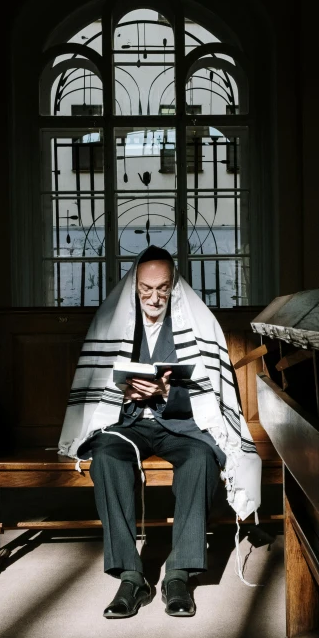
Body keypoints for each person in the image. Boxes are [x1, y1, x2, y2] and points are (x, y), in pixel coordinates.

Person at [59, 246, 261, 619]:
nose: (154, 298)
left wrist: (169, 392)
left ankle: (179, 575)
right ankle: (131, 576)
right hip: (127, 423)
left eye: (162, 289)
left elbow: (210, 393)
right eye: (145, 289)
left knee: (201, 458)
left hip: (179, 424)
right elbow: (96, 384)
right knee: (106, 458)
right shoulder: (115, 322)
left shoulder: (196, 323)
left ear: (174, 287)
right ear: (133, 287)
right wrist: (123, 393)